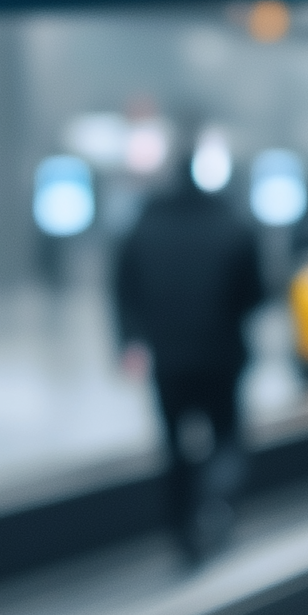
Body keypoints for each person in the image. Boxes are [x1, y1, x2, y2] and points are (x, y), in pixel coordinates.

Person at [114, 149, 265, 558]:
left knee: (175, 446)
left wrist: (128, 341)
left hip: (169, 359)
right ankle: (219, 505)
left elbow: (124, 290)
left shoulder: (144, 225)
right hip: (222, 355)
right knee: (226, 436)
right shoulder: (231, 223)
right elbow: (255, 293)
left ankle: (182, 533)